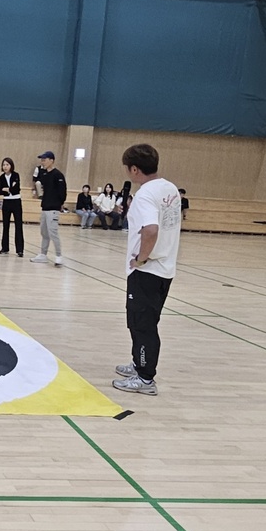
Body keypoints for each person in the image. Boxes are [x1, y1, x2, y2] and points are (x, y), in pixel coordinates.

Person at [112, 144, 182, 396]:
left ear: (134, 169)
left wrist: (141, 259)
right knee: (143, 321)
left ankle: (145, 378)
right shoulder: (169, 188)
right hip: (165, 269)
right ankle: (138, 362)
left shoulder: (144, 195)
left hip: (147, 271)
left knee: (142, 325)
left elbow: (151, 230)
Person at [30, 150, 66, 266]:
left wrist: (58, 203)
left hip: (53, 209)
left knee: (53, 233)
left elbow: (62, 193)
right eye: (42, 160)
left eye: (45, 160)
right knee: (44, 233)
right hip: (45, 207)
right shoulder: (44, 174)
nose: (43, 162)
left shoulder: (58, 175)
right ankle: (43, 254)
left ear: (52, 160)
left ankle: (59, 255)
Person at [0, 157, 24, 257]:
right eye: (4, 165)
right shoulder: (1, 177)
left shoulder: (16, 175)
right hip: (6, 202)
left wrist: (7, 189)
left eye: (7, 165)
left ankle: (20, 250)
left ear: (11, 166)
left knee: (18, 225)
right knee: (5, 225)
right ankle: (5, 247)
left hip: (16, 201)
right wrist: (9, 189)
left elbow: (16, 189)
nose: (5, 167)